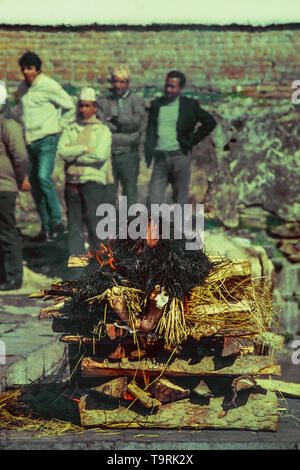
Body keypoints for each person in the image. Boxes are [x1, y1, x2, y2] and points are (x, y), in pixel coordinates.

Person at [14, 51, 75, 242]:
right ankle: (47, 229)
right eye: (23, 68)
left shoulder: (48, 85)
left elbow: (70, 106)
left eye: (30, 68)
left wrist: (60, 126)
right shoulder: (22, 88)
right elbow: (18, 109)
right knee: (35, 186)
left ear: (38, 69)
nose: (26, 72)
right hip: (29, 140)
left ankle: (57, 218)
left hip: (47, 139)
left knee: (43, 177)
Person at [145, 70, 216, 209]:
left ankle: (179, 230)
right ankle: (153, 230)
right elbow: (150, 129)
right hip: (160, 158)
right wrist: (149, 150)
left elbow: (210, 122)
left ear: (180, 89)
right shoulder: (157, 105)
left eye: (172, 86)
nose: (168, 89)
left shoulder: (189, 105)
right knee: (153, 199)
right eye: (167, 85)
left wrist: (192, 140)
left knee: (180, 198)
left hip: (180, 156)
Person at [57, 87, 112, 260]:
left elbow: (100, 156)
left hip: (92, 182)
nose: (83, 109)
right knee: (74, 226)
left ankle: (101, 266)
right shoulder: (70, 129)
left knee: (95, 224)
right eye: (81, 106)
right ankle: (77, 268)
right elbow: (61, 151)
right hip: (72, 181)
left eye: (87, 106)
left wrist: (74, 155)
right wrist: (83, 149)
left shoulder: (102, 130)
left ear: (95, 107)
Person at [96, 64, 145, 207]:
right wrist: (124, 127)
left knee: (129, 193)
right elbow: (102, 124)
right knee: (108, 194)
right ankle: (110, 227)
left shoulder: (136, 101)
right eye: (115, 81)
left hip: (129, 153)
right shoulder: (104, 101)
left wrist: (117, 120)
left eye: (121, 82)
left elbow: (136, 123)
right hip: (109, 154)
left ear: (128, 83)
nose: (117, 85)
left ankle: (129, 227)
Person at [0, 102, 28, 290]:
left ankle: (13, 277)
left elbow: (20, 156)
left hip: (3, 186)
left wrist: (20, 179)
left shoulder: (8, 126)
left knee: (6, 232)